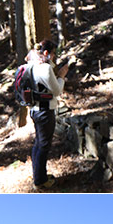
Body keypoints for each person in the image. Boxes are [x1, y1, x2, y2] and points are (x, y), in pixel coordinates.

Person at [27, 39, 68, 190]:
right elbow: (57, 91)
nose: (53, 56)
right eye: (52, 53)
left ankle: (39, 175)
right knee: (43, 146)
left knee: (38, 144)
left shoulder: (30, 64)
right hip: (45, 111)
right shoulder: (44, 68)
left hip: (34, 110)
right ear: (46, 53)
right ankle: (40, 181)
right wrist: (62, 76)